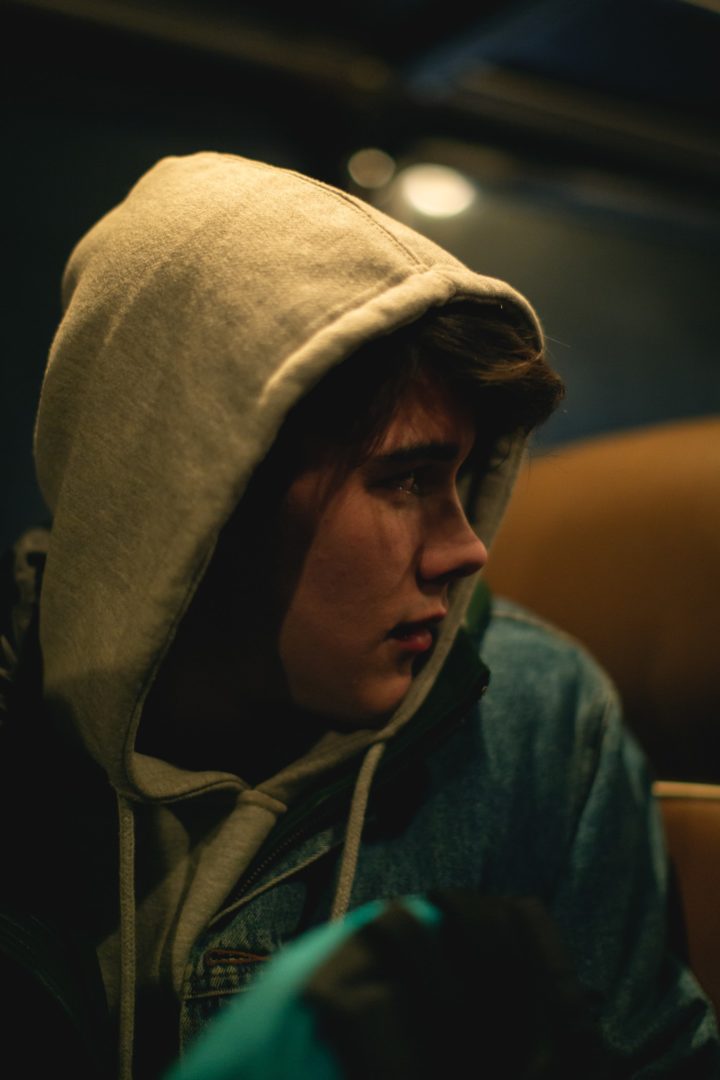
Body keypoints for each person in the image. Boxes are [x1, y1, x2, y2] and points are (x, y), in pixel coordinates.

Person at [1, 152, 717, 1078]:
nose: (468, 549)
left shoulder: (543, 721)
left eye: (462, 477)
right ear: (201, 492)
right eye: (406, 479)